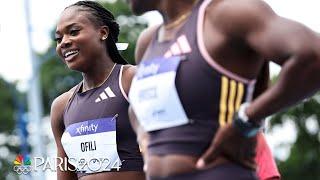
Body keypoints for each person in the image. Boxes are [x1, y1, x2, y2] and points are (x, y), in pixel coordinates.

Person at [127, 0, 320, 179]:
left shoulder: (224, 15)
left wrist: (245, 121)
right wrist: (143, 136)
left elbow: (313, 56)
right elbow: (135, 105)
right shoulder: (148, 42)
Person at [50, 1, 144, 180]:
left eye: (73, 32)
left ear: (103, 33)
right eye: (59, 38)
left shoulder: (132, 80)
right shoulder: (61, 107)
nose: (64, 42)